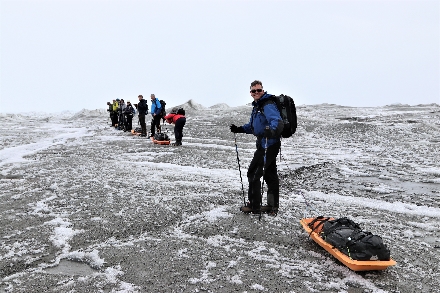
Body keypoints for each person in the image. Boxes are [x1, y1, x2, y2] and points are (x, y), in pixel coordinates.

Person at [230, 80, 283, 215]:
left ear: (263, 91)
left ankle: (254, 205)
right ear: (250, 93)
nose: (256, 93)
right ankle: (272, 206)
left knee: (253, 173)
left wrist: (271, 130)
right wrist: (240, 129)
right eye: (254, 91)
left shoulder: (267, 104)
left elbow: (276, 120)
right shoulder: (258, 106)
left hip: (268, 144)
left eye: (259, 90)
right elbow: (254, 126)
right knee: (269, 174)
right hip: (265, 143)